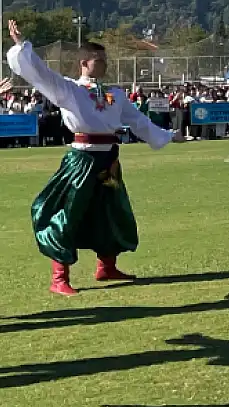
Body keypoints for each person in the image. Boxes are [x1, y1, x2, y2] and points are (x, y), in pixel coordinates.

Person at [6, 22, 183, 296]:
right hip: (82, 160)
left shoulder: (116, 94)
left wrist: (168, 136)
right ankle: (59, 277)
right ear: (84, 63)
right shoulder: (69, 89)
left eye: (105, 59)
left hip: (109, 160)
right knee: (68, 213)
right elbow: (40, 73)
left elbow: (138, 121)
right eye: (98, 60)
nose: (104, 64)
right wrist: (21, 47)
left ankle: (106, 266)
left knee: (112, 210)